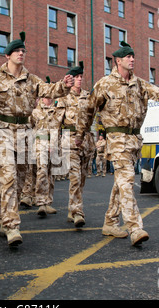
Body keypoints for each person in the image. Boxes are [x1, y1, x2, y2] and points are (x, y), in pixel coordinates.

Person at [76, 41, 159, 246]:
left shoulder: (139, 83)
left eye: (133, 56)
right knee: (127, 182)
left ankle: (110, 222)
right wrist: (81, 134)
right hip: (117, 139)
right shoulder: (104, 84)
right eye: (128, 56)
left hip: (134, 140)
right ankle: (135, 227)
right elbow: (88, 110)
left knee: (121, 183)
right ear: (118, 60)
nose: (132, 59)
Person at [0, 32, 74, 246]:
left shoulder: (31, 79)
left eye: (23, 51)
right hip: (1, 132)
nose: (21, 54)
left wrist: (64, 84)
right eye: (17, 51)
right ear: (8, 55)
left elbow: (49, 90)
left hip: (24, 134)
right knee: (9, 177)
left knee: (19, 182)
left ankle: (3, 218)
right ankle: (12, 227)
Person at [57, 62, 96, 227]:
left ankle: (72, 208)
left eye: (81, 77)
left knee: (81, 179)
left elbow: (92, 119)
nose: (79, 80)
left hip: (86, 142)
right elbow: (56, 121)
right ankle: (78, 213)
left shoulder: (88, 96)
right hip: (70, 140)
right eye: (76, 77)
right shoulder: (63, 97)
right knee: (74, 178)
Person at [31, 77, 65, 217]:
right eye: (46, 97)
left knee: (51, 175)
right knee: (42, 171)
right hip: (40, 144)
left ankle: (48, 201)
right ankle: (40, 202)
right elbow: (30, 128)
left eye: (51, 97)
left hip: (54, 145)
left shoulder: (57, 111)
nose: (49, 99)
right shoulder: (35, 112)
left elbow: (59, 129)